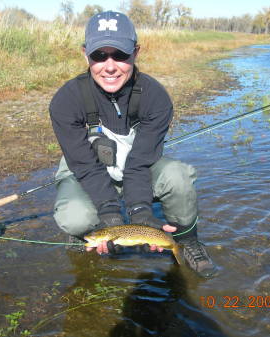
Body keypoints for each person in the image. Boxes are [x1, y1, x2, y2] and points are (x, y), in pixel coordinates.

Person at [49, 11, 216, 277]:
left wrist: (140, 212)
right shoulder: (66, 100)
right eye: (99, 56)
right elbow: (84, 165)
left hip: (137, 165)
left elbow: (139, 163)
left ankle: (186, 241)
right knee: (75, 217)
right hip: (87, 167)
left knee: (178, 177)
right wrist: (111, 213)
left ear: (136, 53)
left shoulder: (156, 98)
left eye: (120, 55)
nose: (110, 66)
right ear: (86, 55)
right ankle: (85, 235)